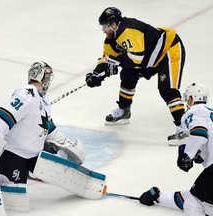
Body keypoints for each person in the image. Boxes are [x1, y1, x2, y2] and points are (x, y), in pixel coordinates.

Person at [85, 7, 186, 145]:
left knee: (167, 89)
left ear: (114, 24)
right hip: (149, 58)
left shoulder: (128, 30)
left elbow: (137, 58)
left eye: (105, 26)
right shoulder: (111, 39)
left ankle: (184, 129)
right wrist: (96, 74)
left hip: (167, 51)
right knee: (127, 74)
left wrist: (115, 63)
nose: (103, 30)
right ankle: (124, 110)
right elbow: (106, 59)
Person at [0, 61, 85, 184]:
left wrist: (63, 142)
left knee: (51, 152)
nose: (48, 82)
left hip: (34, 155)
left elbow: (47, 126)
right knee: (13, 189)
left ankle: (29, 170)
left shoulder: (44, 100)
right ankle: (7, 175)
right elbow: (4, 114)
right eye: (47, 78)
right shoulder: (28, 93)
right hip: (13, 154)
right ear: (42, 78)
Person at [139, 83, 213, 216]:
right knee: (201, 200)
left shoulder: (193, 112)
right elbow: (190, 196)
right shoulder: (209, 114)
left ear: (191, 99)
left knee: (194, 204)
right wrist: (158, 197)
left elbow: (199, 134)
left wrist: (187, 155)